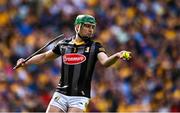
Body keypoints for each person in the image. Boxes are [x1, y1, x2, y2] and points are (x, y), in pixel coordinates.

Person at [15, 14, 132, 113]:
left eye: (92, 27)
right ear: (77, 27)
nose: (90, 29)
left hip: (79, 96)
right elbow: (45, 56)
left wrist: (117, 55)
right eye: (87, 26)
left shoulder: (95, 46)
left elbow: (105, 62)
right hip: (61, 93)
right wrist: (26, 62)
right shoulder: (64, 44)